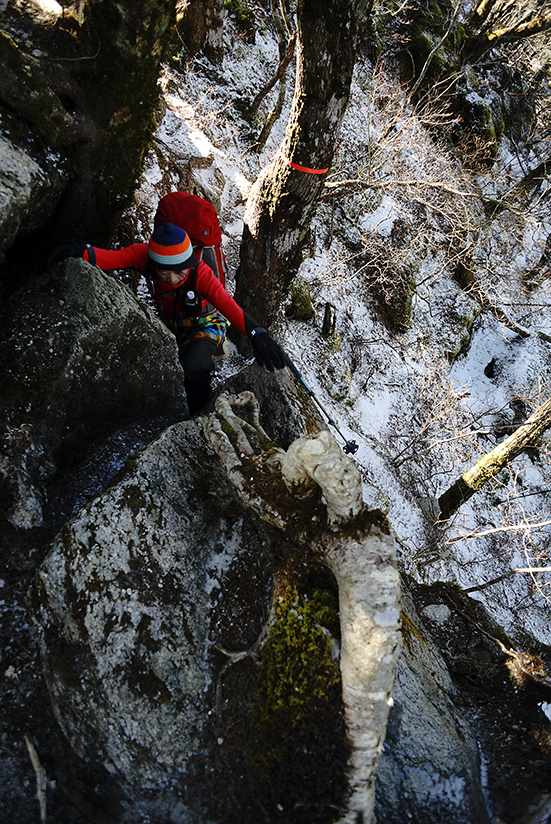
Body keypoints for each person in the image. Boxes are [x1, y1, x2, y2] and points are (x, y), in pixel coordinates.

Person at [46, 223, 286, 415]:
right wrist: (82, 251)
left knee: (193, 367)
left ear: (189, 264)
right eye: (164, 271)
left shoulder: (200, 273)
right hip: (170, 326)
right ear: (154, 264)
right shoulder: (144, 257)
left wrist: (256, 332)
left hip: (204, 325)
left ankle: (199, 412)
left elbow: (227, 304)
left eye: (179, 271)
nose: (171, 278)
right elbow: (113, 258)